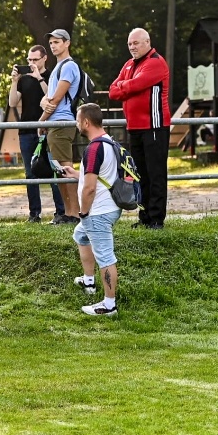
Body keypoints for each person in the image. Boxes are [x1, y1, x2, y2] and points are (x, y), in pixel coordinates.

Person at [108, 27, 171, 230]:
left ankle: (156, 219)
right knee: (139, 174)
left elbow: (132, 87)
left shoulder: (155, 63)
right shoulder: (128, 65)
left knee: (155, 174)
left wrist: (126, 86)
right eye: (129, 44)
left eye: (136, 43)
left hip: (154, 126)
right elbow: (113, 91)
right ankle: (144, 217)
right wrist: (127, 86)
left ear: (147, 42)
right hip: (134, 127)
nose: (132, 47)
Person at [66, 103, 123, 316]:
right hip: (109, 206)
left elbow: (89, 189)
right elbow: (100, 176)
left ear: (86, 122)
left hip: (97, 211)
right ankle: (89, 282)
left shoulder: (93, 148)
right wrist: (75, 174)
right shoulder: (109, 143)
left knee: (106, 257)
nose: (76, 124)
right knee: (80, 235)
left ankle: (109, 305)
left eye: (77, 120)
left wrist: (83, 212)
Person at [8, 44, 60, 222]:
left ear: (44, 58)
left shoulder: (52, 75)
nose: (31, 63)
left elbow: (53, 97)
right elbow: (13, 103)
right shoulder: (23, 79)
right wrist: (15, 82)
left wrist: (39, 78)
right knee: (30, 174)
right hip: (26, 130)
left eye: (35, 60)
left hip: (48, 129)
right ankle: (34, 214)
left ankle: (60, 212)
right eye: (29, 60)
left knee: (54, 171)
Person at [40, 29, 83, 224]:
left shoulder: (69, 66)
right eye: (51, 43)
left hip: (62, 122)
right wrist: (46, 107)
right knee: (59, 170)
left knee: (66, 168)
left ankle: (75, 213)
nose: (53, 45)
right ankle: (68, 212)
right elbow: (47, 98)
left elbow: (55, 98)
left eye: (57, 42)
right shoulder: (58, 67)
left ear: (67, 43)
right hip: (55, 123)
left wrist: (41, 120)